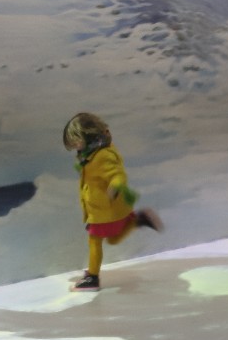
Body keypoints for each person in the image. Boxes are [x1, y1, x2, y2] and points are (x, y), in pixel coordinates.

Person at [63, 112, 162, 292]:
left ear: (88, 135)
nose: (75, 146)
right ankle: (137, 220)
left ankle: (92, 278)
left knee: (95, 241)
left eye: (76, 141)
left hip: (104, 210)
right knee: (113, 240)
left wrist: (115, 186)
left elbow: (118, 174)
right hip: (105, 209)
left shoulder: (102, 155)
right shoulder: (92, 153)